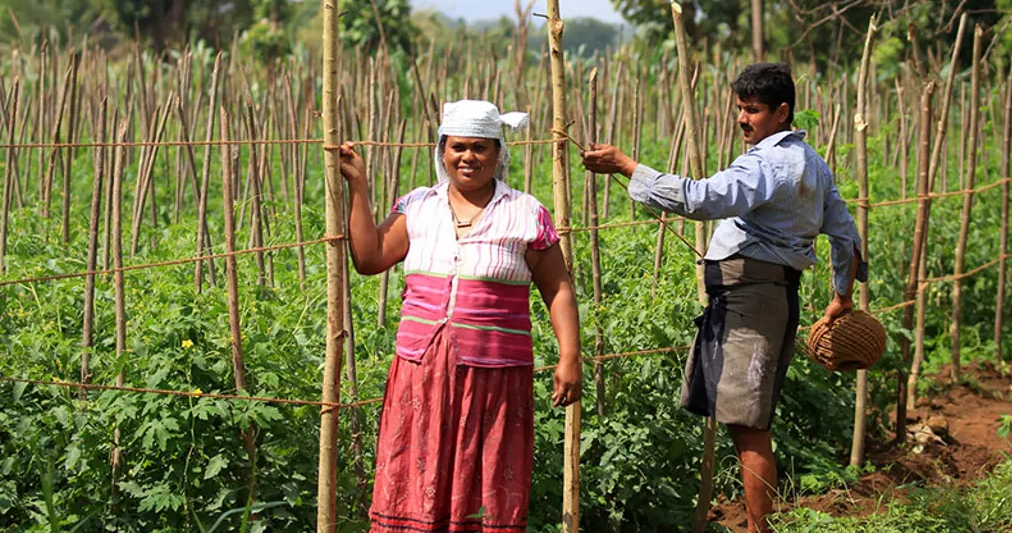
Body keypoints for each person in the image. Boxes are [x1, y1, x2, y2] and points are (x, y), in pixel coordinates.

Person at [581, 62, 866, 533]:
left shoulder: (766, 162)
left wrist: (627, 167)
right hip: (768, 295)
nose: (742, 119)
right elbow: (847, 237)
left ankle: (760, 529)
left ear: (781, 112)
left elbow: (701, 200)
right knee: (745, 418)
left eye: (752, 110)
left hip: (751, 300)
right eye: (739, 108)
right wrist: (841, 296)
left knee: (748, 424)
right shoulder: (812, 161)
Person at [339, 99, 582, 533]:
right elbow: (369, 257)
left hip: (495, 378)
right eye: (457, 148)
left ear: (497, 153)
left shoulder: (526, 213)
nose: (468, 157)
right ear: (442, 152)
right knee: (417, 473)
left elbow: (557, 287)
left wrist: (569, 357)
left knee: (485, 475)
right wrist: (358, 185)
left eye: (480, 148)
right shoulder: (418, 206)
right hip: (421, 373)